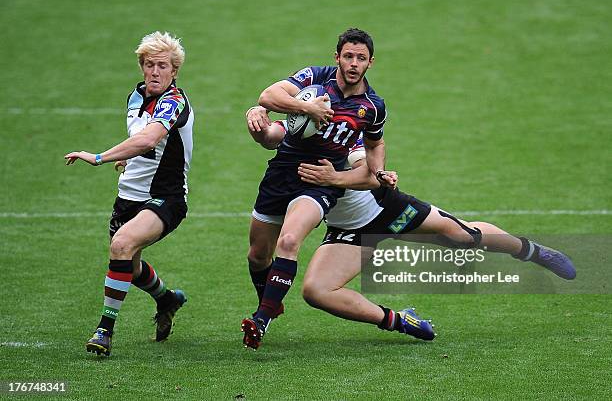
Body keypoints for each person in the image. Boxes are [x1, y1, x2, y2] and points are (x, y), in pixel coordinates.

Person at [246, 108, 576, 342]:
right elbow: (273, 131)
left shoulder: (347, 135)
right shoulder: (300, 126)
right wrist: (258, 121)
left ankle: (531, 251)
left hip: (387, 211)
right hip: (348, 232)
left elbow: (367, 169)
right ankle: (400, 320)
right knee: (316, 291)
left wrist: (356, 176)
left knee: (464, 237)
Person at [242, 28, 396, 350]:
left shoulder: (373, 106)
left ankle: (261, 319)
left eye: (361, 58)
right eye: (348, 56)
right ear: (337, 56)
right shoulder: (314, 79)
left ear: (371, 63)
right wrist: (306, 109)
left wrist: (379, 172)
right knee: (258, 256)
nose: (354, 63)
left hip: (319, 179)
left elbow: (374, 144)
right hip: (283, 171)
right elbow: (267, 97)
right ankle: (271, 301)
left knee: (289, 239)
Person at [64, 31, 194, 356]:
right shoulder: (135, 98)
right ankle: (167, 298)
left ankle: (104, 332)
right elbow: (140, 139)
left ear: (174, 71)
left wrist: (99, 157)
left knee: (121, 245)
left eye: (162, 66)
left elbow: (150, 139)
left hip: (166, 198)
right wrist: (126, 156)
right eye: (149, 65)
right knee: (130, 267)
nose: (155, 72)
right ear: (142, 67)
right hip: (128, 197)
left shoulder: (175, 101)